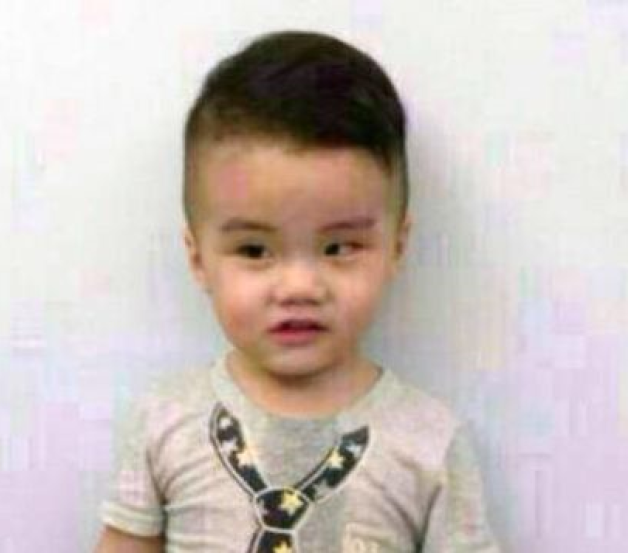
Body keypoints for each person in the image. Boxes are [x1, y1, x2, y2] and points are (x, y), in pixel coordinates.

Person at [95, 29, 500, 552]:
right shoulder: (164, 423)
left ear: (396, 247)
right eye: (254, 251)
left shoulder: (430, 443)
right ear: (198, 258)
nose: (300, 287)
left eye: (339, 248)